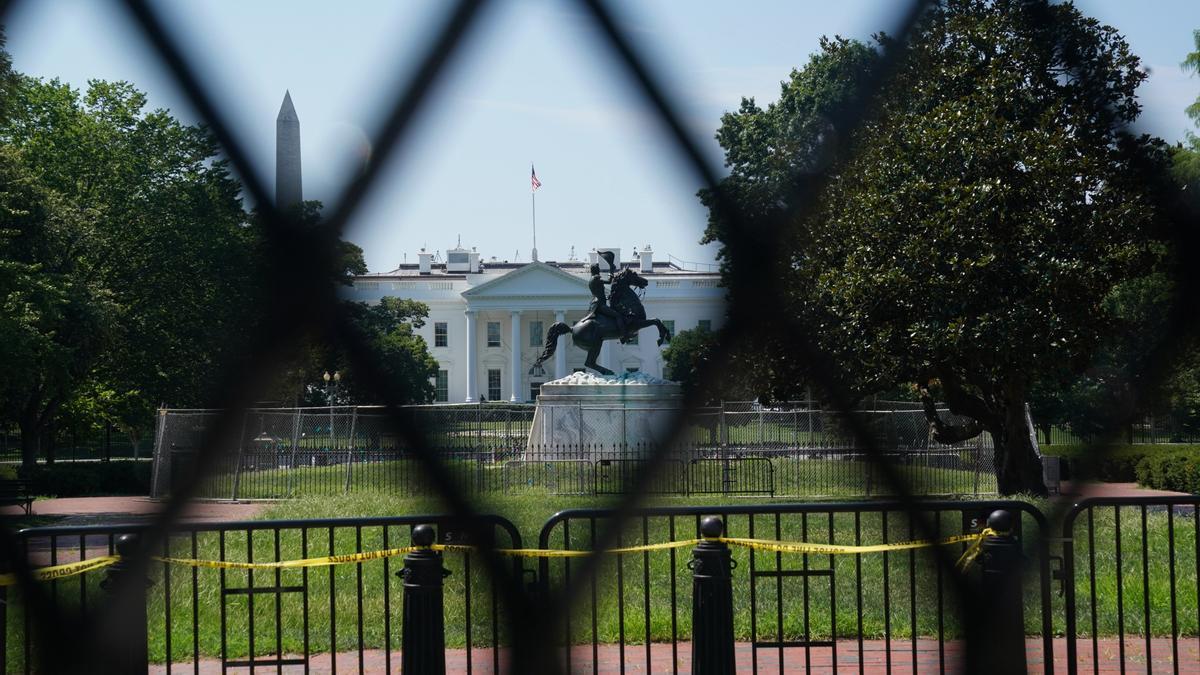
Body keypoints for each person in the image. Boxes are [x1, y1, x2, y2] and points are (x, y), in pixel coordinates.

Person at [583, 254, 627, 339]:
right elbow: (609, 281)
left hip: (596, 303)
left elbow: (599, 292)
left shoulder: (591, 279)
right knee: (618, 315)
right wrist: (611, 270)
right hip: (600, 305)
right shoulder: (596, 278)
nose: (599, 271)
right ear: (596, 270)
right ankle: (623, 336)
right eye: (598, 269)